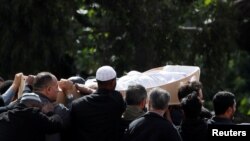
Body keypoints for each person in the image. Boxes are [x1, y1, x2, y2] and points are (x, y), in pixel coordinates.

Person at [70, 65, 126, 141]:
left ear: (97, 81)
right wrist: (89, 90)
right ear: (113, 82)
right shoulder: (117, 99)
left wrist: (87, 90)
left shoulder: (77, 105)